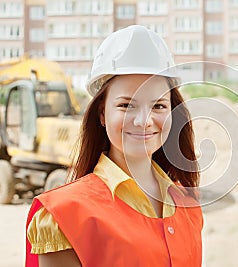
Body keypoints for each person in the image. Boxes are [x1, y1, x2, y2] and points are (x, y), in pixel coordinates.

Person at [25, 25, 203, 267]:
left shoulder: (187, 204)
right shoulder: (64, 214)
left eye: (159, 106)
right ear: (102, 113)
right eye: (126, 105)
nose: (144, 121)